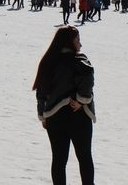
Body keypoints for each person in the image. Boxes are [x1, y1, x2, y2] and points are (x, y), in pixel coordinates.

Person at [33, 26, 95, 185]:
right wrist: (82, 100)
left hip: (54, 117)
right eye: (77, 40)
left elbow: (41, 93)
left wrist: (43, 115)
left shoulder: (47, 62)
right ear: (69, 41)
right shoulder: (79, 61)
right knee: (84, 158)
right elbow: (87, 77)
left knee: (59, 160)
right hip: (78, 115)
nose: (80, 44)